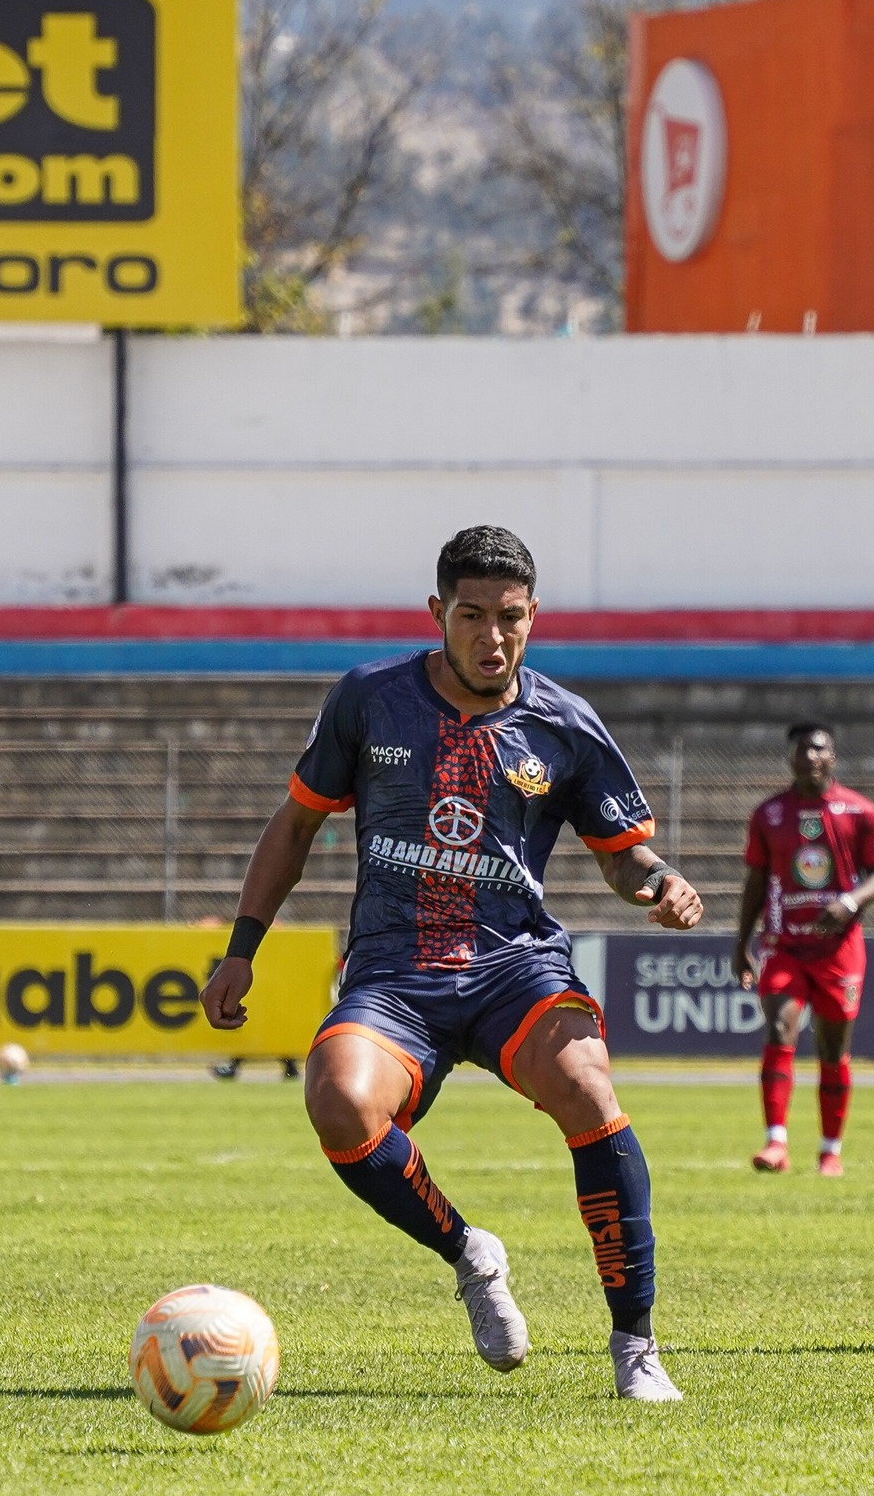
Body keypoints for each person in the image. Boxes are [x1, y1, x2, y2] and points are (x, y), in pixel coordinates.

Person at [200, 525, 704, 1401]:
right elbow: (296, 825)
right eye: (471, 615)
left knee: (589, 1089)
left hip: (516, 968)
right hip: (395, 974)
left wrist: (659, 883)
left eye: (509, 617)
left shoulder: (565, 724)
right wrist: (242, 949)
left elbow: (622, 856)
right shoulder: (370, 699)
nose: (491, 637)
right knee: (338, 1103)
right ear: (437, 613)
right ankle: (469, 1252)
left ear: (533, 615)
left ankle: (635, 1348)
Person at [733, 723, 874, 1177]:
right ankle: (776, 1142)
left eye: (818, 749)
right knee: (779, 1027)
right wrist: (741, 942)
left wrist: (850, 902)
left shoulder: (858, 811)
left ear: (832, 757)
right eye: (802, 750)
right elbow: (756, 882)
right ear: (791, 758)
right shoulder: (770, 814)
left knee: (832, 1049)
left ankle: (830, 1150)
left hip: (838, 949)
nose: (809, 756)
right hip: (783, 943)